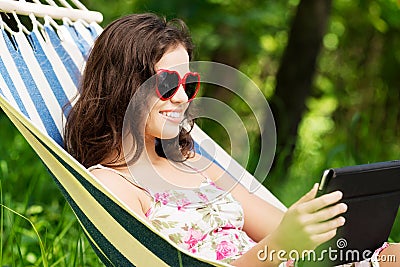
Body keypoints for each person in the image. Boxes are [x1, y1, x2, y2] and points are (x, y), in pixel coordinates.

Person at [64, 13, 399, 266]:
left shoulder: (194, 162)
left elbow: (285, 229)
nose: (182, 98)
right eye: (167, 84)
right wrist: (282, 243)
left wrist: (312, 216)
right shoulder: (111, 184)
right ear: (125, 88)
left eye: (189, 83)